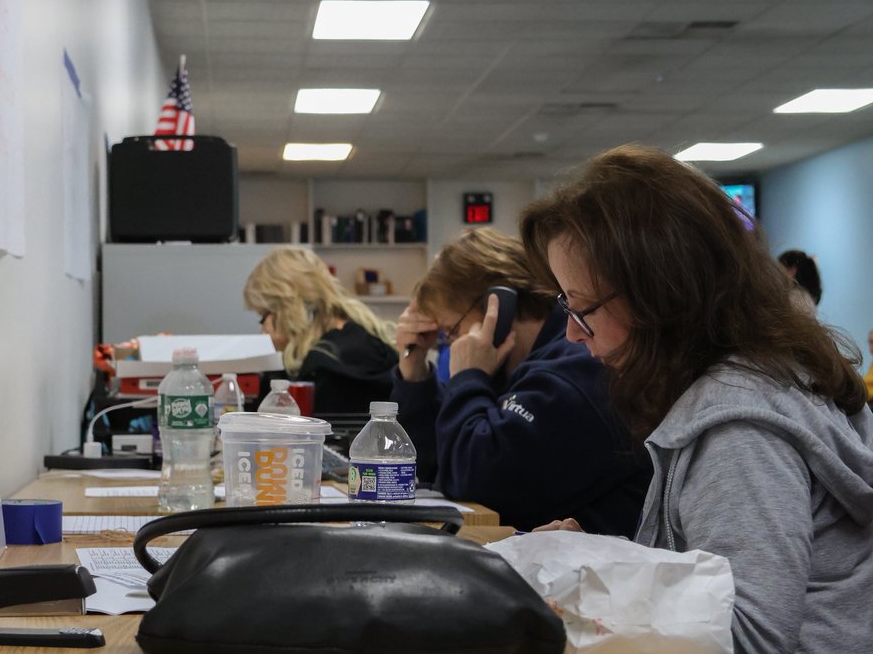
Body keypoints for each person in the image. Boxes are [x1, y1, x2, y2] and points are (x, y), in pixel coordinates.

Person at [519, 144, 873, 654]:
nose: (573, 336)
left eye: (583, 309)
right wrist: (609, 561)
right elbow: (721, 579)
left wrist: (586, 585)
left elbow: (747, 638)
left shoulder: (740, 425)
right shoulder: (765, 382)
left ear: (663, 297)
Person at [391, 227, 650, 536]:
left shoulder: (575, 372)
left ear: (496, 308)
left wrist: (468, 377)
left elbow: (477, 487)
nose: (451, 345)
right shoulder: (524, 368)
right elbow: (433, 466)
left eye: (452, 330)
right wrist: (415, 372)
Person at [243, 247, 398, 415]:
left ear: (285, 310)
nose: (263, 329)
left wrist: (278, 359)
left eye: (263, 316)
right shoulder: (365, 333)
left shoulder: (323, 366)